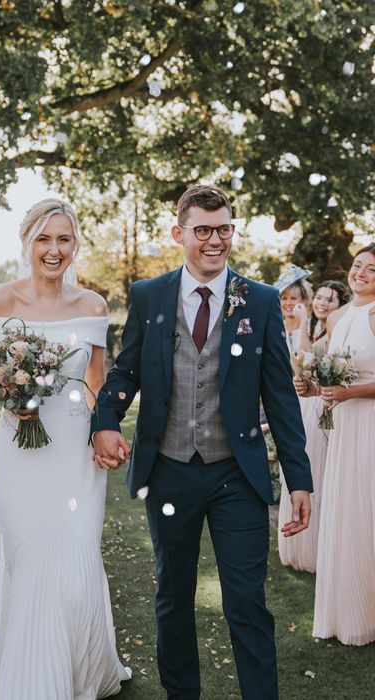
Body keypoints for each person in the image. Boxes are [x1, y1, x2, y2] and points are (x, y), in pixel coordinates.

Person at [92, 184, 312, 700]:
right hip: (168, 471)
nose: (216, 240)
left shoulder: (257, 299)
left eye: (224, 229)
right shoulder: (149, 295)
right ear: (179, 233)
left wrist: (299, 478)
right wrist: (104, 420)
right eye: (203, 230)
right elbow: (126, 372)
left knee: (246, 602)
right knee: (173, 596)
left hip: (237, 474)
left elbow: (280, 395)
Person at [0, 199, 132, 699]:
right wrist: (8, 396)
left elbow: (96, 383)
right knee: (30, 563)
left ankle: (80, 670)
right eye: (44, 240)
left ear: (75, 245)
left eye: (64, 240)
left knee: (76, 568)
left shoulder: (93, 306)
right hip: (20, 452)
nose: (54, 250)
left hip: (74, 454)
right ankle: (30, 677)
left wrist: (103, 431)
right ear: (27, 243)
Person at [306, 244, 375, 645]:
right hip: (343, 427)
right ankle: (344, 612)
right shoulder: (336, 317)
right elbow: (328, 378)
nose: (360, 273)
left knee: (367, 511)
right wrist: (311, 386)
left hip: (369, 424)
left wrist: (351, 394)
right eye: (357, 266)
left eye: (371, 269)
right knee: (346, 510)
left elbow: (352, 384)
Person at [280, 280, 347, 573]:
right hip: (305, 406)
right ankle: (298, 545)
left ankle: (318, 547)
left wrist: (305, 321)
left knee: (318, 473)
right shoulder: (312, 330)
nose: (322, 303)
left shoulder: (335, 330)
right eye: (318, 297)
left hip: (323, 406)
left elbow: (305, 363)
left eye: (329, 300)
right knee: (300, 469)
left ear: (339, 305)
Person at [274, 264, 313, 354]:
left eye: (293, 298)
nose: (288, 303)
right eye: (284, 298)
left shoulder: (312, 326)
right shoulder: (276, 328)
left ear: (304, 300)